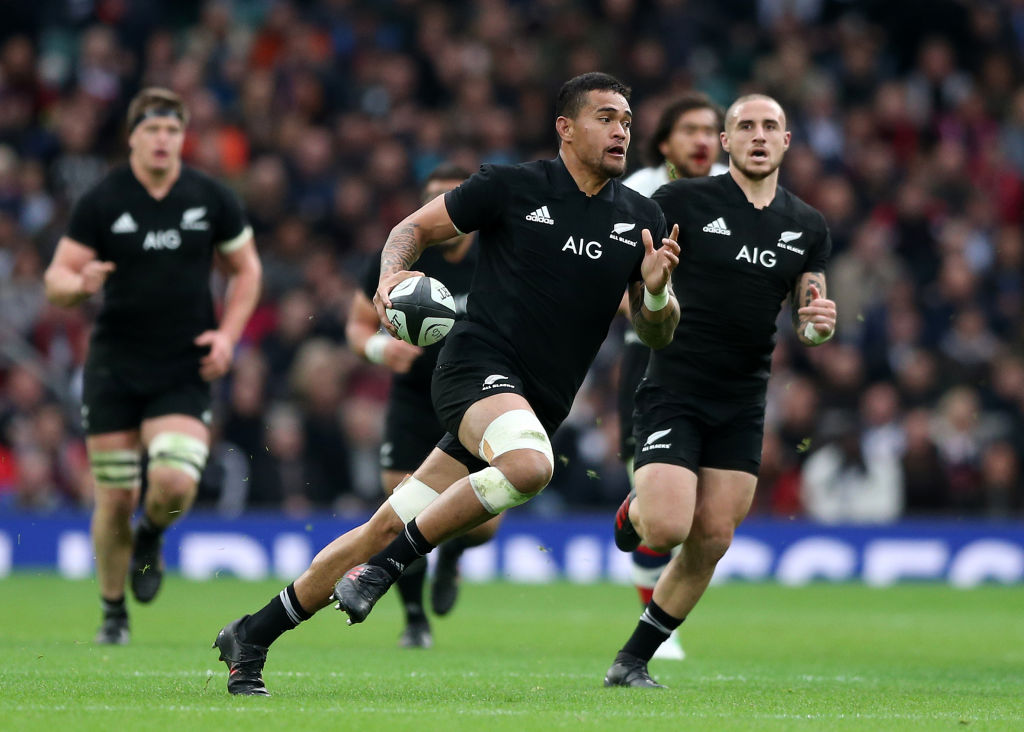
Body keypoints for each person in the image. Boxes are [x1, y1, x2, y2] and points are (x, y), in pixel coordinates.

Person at [212, 71, 681, 695]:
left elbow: (655, 334)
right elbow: (410, 230)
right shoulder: (509, 186)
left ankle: (253, 634)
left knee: (383, 522)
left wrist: (654, 292)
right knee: (531, 466)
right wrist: (386, 284)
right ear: (566, 129)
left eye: (626, 119)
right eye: (605, 117)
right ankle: (385, 572)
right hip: (472, 369)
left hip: (536, 401)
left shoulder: (641, 217)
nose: (621, 130)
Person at [604, 94, 837, 687]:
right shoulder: (679, 202)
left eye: (770, 127)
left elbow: (810, 313)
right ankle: (637, 510)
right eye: (745, 127)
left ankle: (632, 662)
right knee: (666, 529)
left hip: (742, 401)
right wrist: (651, 290)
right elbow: (643, 304)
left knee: (712, 539)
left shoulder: (807, 227)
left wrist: (816, 328)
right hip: (675, 388)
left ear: (786, 142)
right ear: (726, 143)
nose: (758, 136)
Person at [44, 87, 261, 645]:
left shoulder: (211, 196)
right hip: (114, 365)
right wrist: (79, 284)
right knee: (114, 497)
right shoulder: (102, 199)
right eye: (152, 129)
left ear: (182, 137)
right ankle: (113, 612)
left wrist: (228, 336)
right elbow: (56, 278)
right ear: (133, 137)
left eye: (173, 129)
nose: (163, 139)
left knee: (170, 483)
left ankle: (152, 536)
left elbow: (247, 270)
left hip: (182, 366)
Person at [346, 163, 501, 648]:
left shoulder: (497, 256)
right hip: (414, 399)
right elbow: (354, 328)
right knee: (400, 508)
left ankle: (452, 553)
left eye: (451, 199)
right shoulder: (395, 259)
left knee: (484, 526)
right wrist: (379, 349)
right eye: (433, 199)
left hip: (475, 397)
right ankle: (414, 619)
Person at [618, 92, 728, 662]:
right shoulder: (638, 190)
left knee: (705, 517)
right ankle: (659, 627)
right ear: (665, 143)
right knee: (666, 517)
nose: (702, 139)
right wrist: (652, 300)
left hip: (721, 370)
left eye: (711, 128)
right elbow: (612, 284)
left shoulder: (740, 194)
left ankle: (636, 518)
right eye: (689, 129)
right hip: (652, 359)